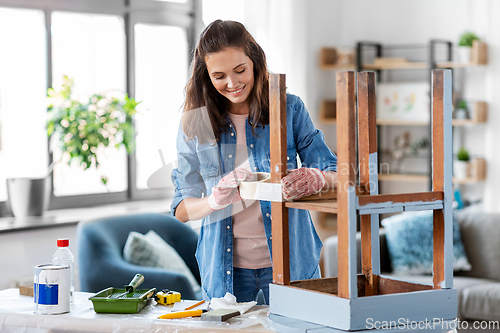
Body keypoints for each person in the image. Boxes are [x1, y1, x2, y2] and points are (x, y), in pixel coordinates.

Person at [171, 20, 337, 304]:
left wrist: (317, 178)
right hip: (225, 271)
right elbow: (181, 209)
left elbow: (336, 173)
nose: (232, 84)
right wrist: (214, 200)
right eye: (219, 75)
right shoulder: (194, 123)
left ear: (255, 62)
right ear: (205, 76)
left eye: (240, 70)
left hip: (291, 261)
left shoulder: (289, 108)